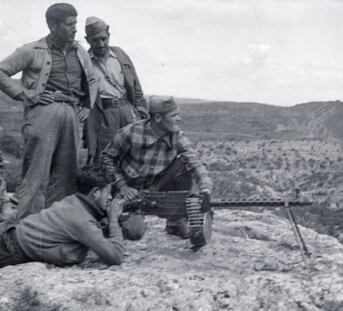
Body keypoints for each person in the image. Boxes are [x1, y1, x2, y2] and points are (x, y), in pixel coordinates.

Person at [0, 3, 98, 219]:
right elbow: (2, 72)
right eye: (69, 24)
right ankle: (26, 230)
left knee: (67, 175)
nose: (74, 29)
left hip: (72, 114)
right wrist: (27, 94)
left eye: (75, 24)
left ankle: (57, 227)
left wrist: (86, 106)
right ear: (52, 25)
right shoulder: (32, 50)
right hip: (43, 112)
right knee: (37, 174)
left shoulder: (80, 51)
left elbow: (92, 79)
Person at [101, 95, 212, 238]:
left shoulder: (177, 136)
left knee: (184, 164)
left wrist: (205, 188)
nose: (179, 119)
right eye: (174, 116)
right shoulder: (130, 133)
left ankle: (175, 222)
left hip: (157, 186)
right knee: (134, 233)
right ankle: (115, 217)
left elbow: (195, 162)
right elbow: (107, 158)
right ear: (158, 118)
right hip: (131, 190)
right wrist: (122, 185)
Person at [0, 164, 128, 268]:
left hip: (9, 234)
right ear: (95, 193)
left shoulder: (72, 200)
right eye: (108, 193)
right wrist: (113, 220)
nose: (110, 197)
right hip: (10, 248)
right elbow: (116, 256)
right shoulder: (82, 221)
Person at [84, 16, 148, 163]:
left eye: (103, 39)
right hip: (104, 116)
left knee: (134, 155)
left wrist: (141, 110)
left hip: (128, 111)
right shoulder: (85, 61)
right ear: (87, 40)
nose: (101, 44)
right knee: (106, 157)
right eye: (95, 40)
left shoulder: (120, 54)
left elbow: (135, 85)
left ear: (108, 36)